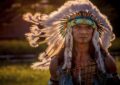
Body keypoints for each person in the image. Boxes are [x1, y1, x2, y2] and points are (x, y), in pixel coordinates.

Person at [23, 0, 120, 85]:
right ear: (70, 31)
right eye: (78, 27)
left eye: (88, 27)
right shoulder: (56, 62)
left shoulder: (106, 61)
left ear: (94, 32)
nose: (83, 32)